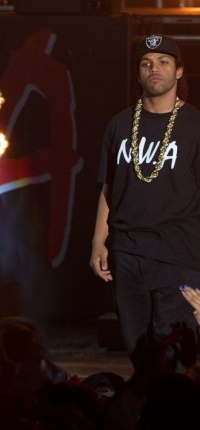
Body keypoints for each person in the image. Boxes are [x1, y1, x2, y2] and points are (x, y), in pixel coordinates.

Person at [90, 34, 200, 371]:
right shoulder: (119, 124)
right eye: (146, 63)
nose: (155, 68)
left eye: (164, 62)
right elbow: (109, 186)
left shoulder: (195, 126)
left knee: (176, 353)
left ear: (179, 71)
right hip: (127, 253)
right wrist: (98, 240)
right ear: (138, 73)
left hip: (177, 254)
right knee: (139, 350)